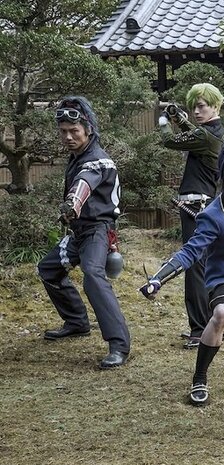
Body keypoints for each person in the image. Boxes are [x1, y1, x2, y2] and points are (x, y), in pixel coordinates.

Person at [139, 136, 224, 405]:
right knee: (221, 314)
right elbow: (190, 251)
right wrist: (158, 279)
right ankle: (199, 378)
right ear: (222, 179)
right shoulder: (213, 214)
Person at [38, 96, 131, 369]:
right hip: (78, 233)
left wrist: (72, 204)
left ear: (88, 129)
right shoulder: (77, 157)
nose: (68, 137)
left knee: (93, 276)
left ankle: (119, 345)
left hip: (98, 232)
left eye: (74, 131)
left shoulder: (98, 160)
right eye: (63, 131)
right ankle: (77, 321)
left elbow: (84, 183)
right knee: (48, 270)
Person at [159, 83, 224, 349]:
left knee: (195, 267)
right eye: (194, 107)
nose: (197, 111)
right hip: (202, 205)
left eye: (202, 106)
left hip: (196, 206)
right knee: (204, 265)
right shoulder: (212, 133)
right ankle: (210, 325)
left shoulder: (206, 136)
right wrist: (180, 119)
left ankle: (199, 329)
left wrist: (164, 121)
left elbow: (169, 141)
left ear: (215, 106)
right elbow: (194, 133)